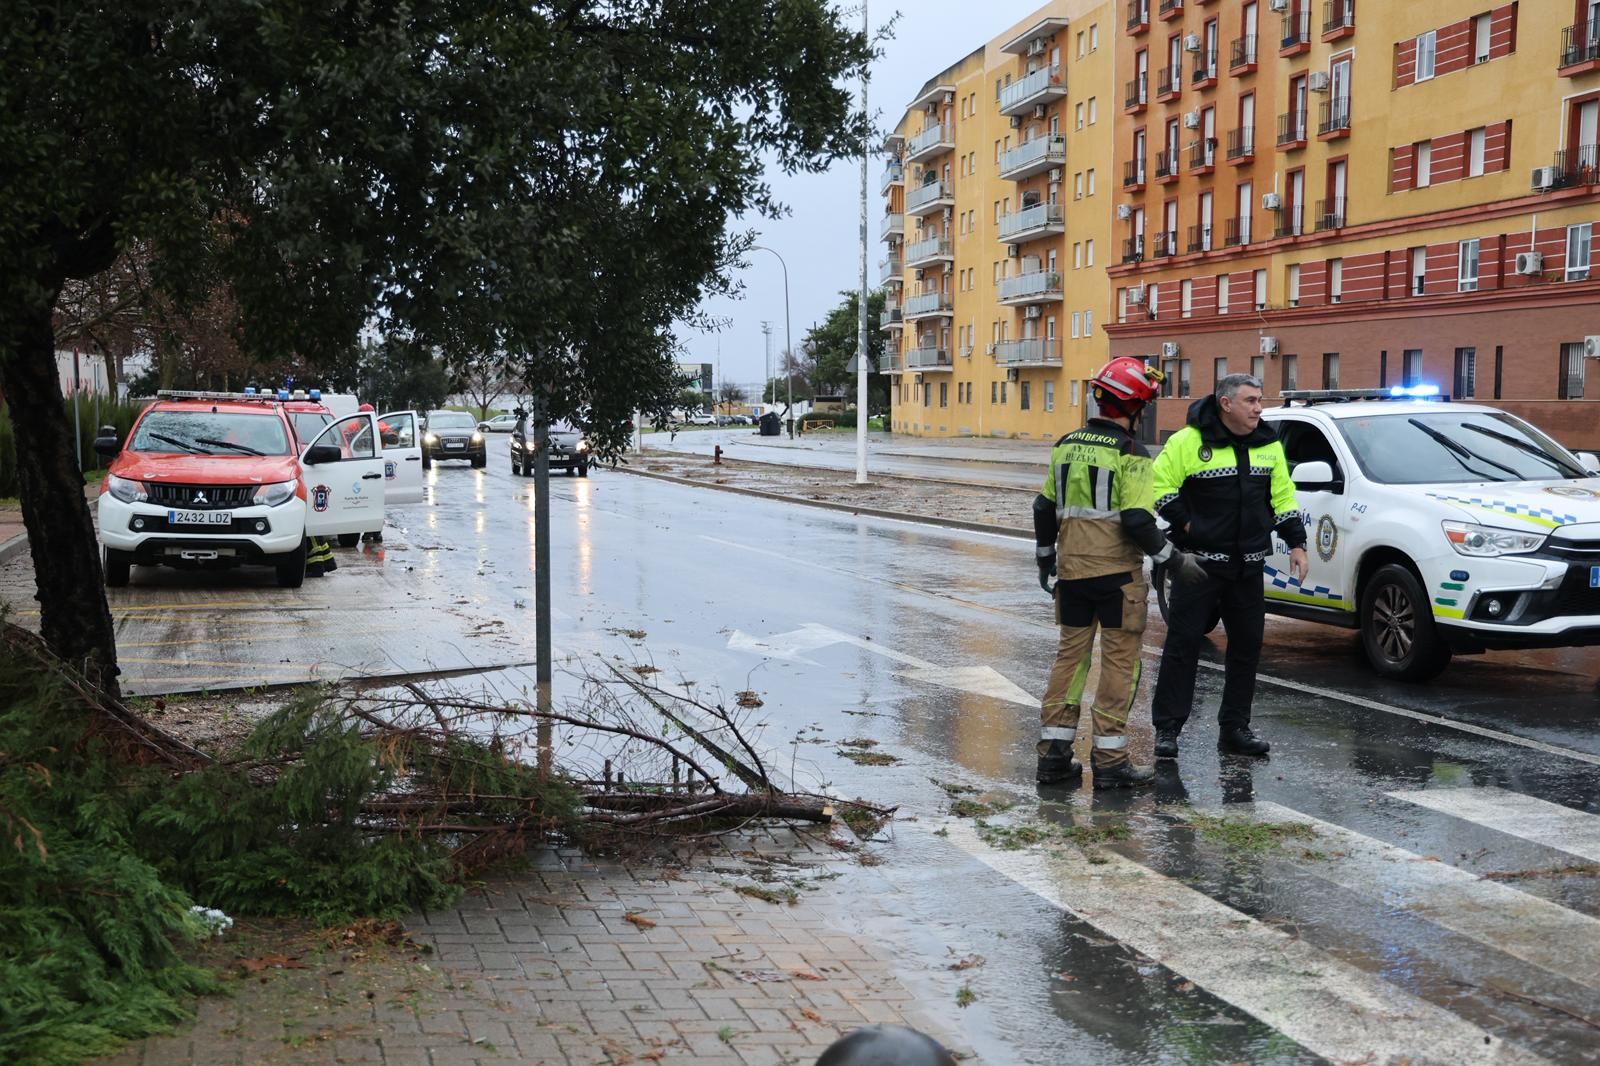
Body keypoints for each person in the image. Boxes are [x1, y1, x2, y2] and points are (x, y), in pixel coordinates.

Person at [1033, 357, 1208, 790]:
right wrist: (1174, 560)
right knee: (1119, 665)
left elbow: (1043, 507)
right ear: (1134, 407)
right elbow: (1135, 519)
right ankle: (1110, 762)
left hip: (1072, 574)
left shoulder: (1066, 443)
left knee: (1069, 661)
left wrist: (1044, 558)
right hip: (1116, 578)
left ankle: (1053, 758)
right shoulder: (1130, 452)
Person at [1149, 373, 1307, 759]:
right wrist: (1189, 524)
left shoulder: (1267, 442)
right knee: (1183, 647)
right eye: (1251, 400)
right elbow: (1159, 485)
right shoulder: (1188, 441)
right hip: (1199, 566)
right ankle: (1167, 730)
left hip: (1249, 566)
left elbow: (1283, 495)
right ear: (1226, 404)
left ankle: (1235, 729)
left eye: (1259, 400)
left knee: (1246, 649)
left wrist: (1297, 543)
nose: (1258, 408)